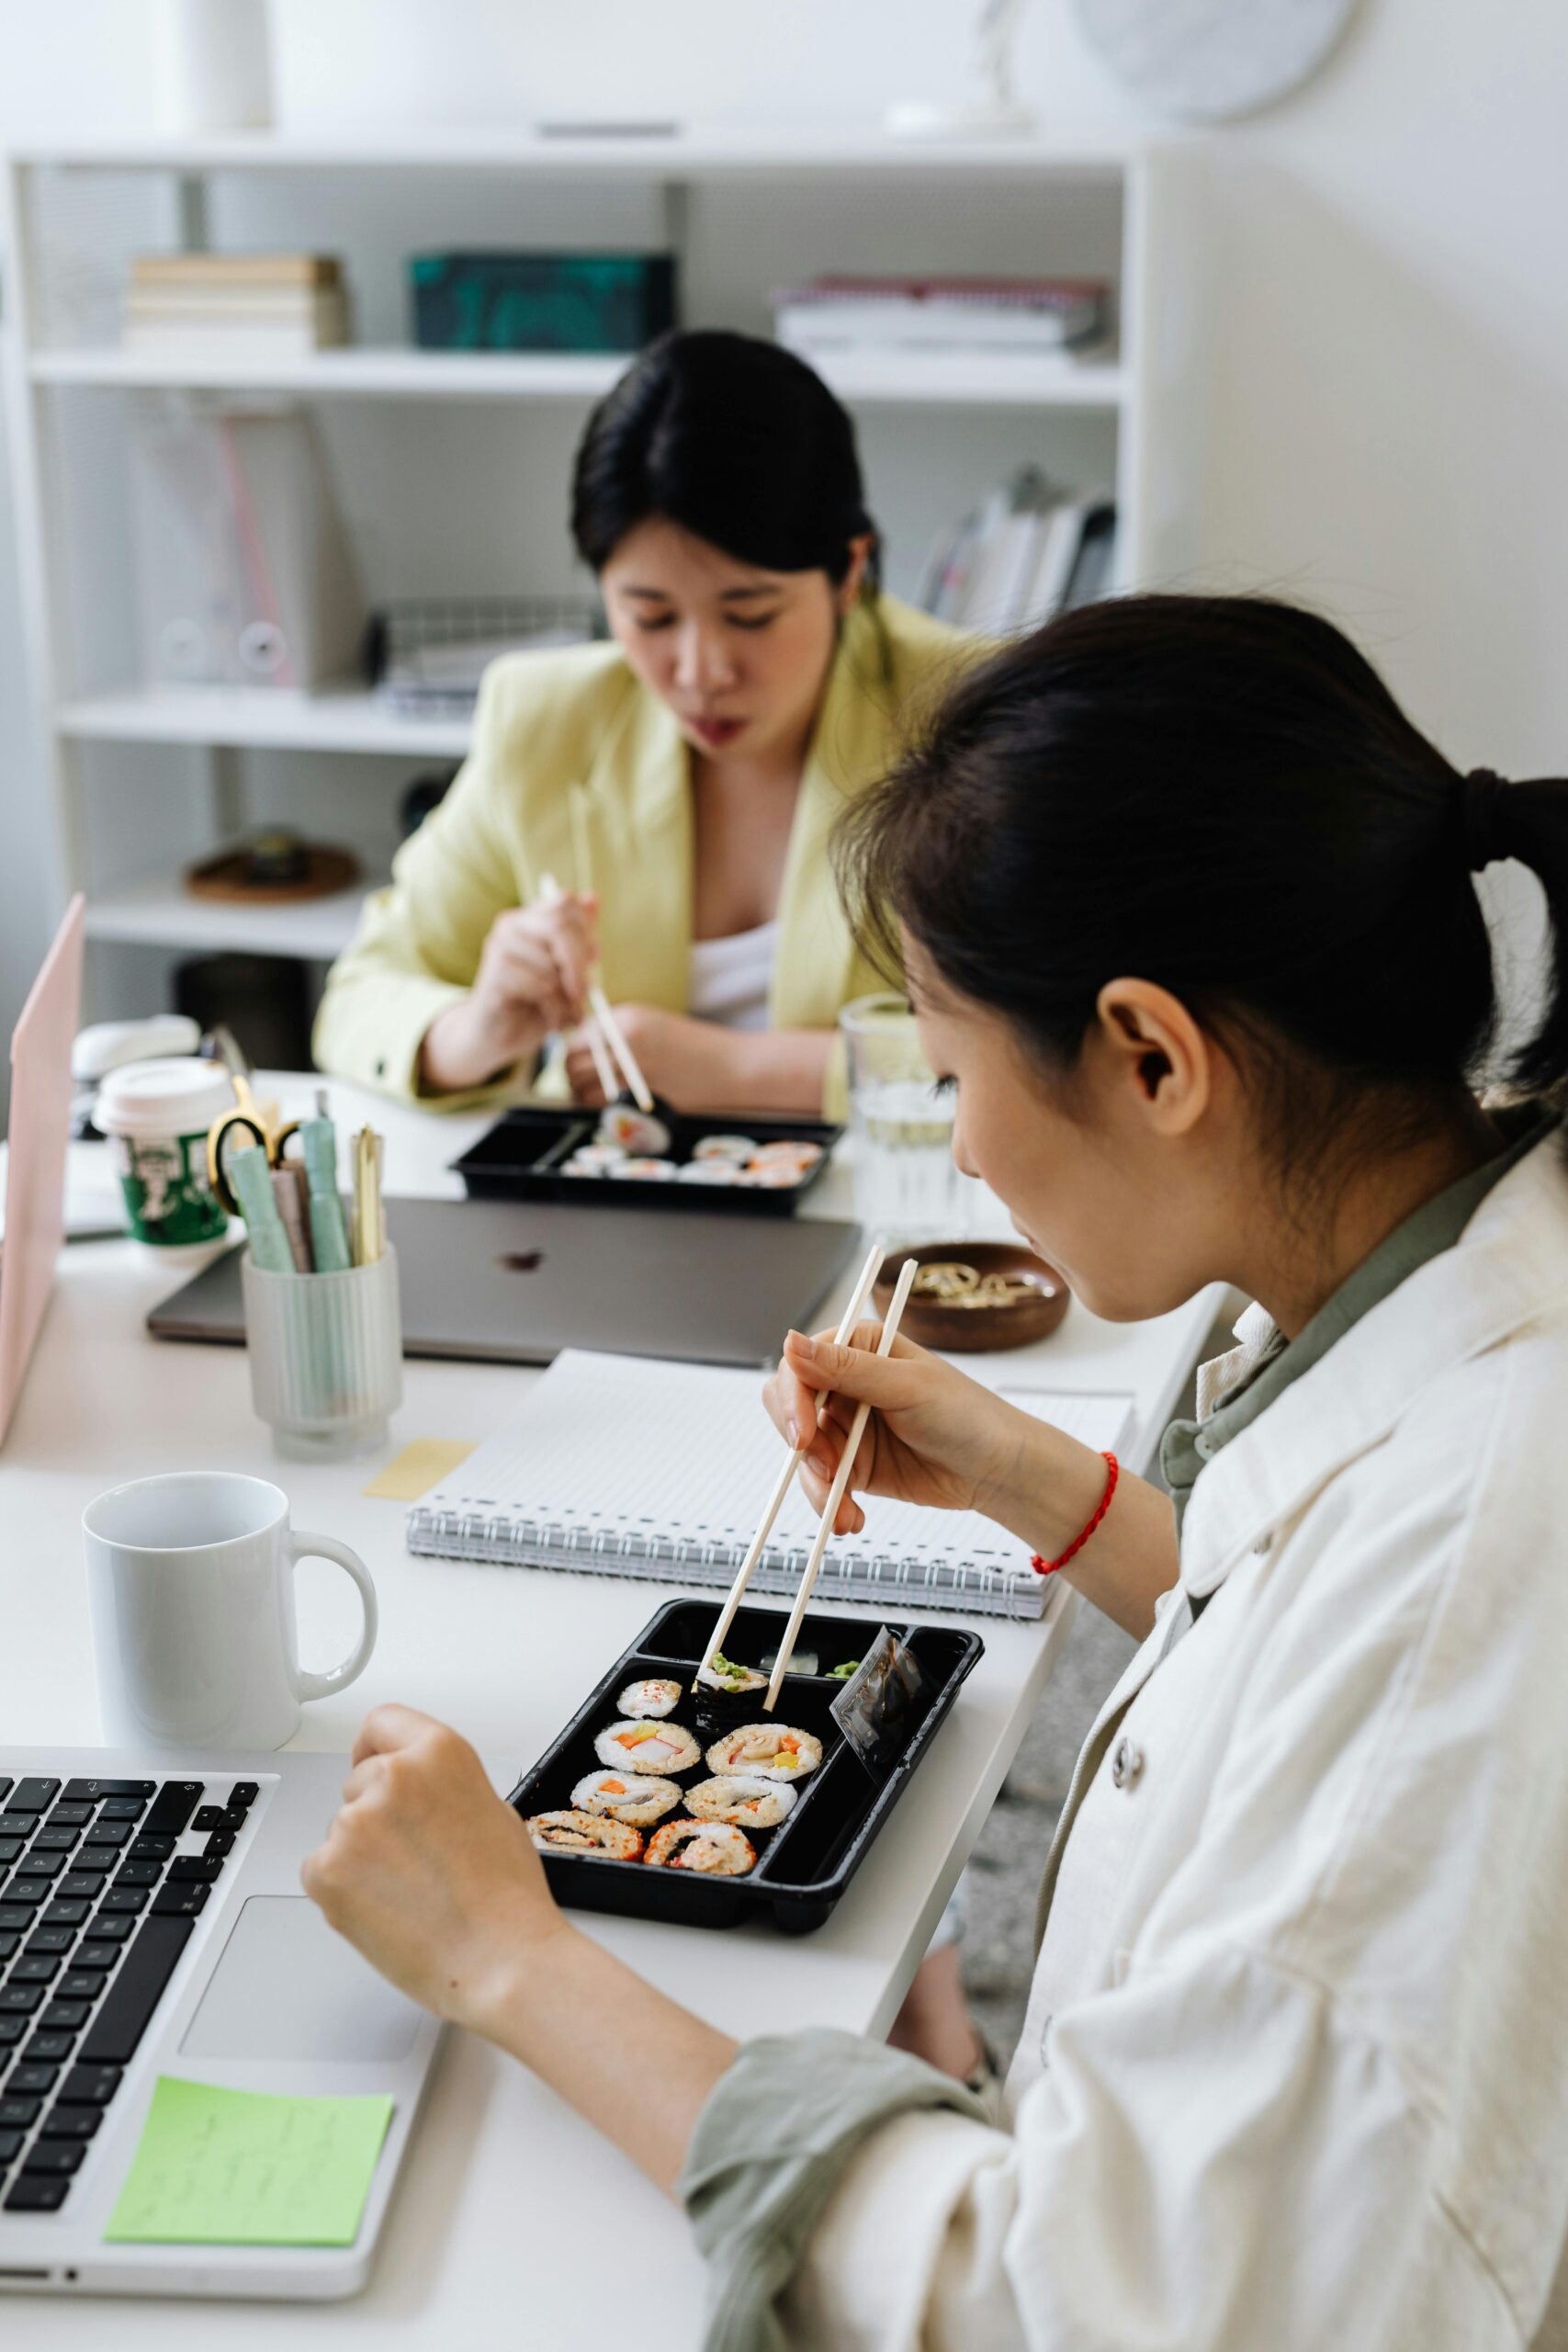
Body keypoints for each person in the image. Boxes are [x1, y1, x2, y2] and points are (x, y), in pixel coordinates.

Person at [301, 594, 1568, 2349]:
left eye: (956, 1067)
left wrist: (509, 1959)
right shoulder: (1466, 1268)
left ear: (1149, 1055)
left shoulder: (1469, 1570)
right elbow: (1283, 1596)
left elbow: (1072, 2309)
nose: (960, 1146)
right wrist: (1031, 1476)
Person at [313, 329, 969, 1117]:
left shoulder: (970, 713)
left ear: (847, 572)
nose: (700, 672)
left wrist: (740, 1071)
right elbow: (359, 996)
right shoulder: (544, 722)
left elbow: (1040, 1044)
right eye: (651, 617)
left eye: (750, 614)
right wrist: (479, 1029)